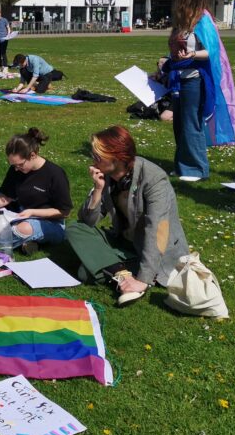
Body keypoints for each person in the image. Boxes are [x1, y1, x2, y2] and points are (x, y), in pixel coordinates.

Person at [66, 125, 190, 307]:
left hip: (154, 248)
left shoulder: (154, 179)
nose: (93, 160)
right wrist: (98, 190)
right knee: (74, 228)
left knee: (85, 273)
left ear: (117, 158)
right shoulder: (107, 177)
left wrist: (143, 279)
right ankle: (121, 272)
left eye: (98, 157)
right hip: (125, 242)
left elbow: (157, 229)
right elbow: (87, 222)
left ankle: (119, 271)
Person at [158, 0, 235, 181]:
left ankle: (197, 168)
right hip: (180, 79)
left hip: (195, 79)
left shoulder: (203, 20)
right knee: (179, 125)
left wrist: (193, 53)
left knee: (191, 123)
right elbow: (175, 52)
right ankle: (183, 165)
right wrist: (164, 64)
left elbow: (211, 51)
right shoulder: (180, 24)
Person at [0, 128, 71, 254]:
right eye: (13, 165)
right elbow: (6, 197)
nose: (16, 169)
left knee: (23, 229)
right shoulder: (16, 169)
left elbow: (64, 212)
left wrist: (33, 212)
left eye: (20, 165)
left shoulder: (55, 174)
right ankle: (26, 243)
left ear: (33, 155)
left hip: (51, 223)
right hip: (19, 215)